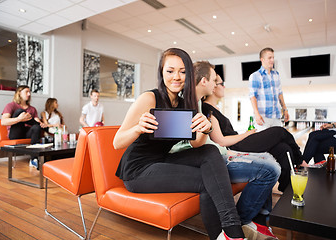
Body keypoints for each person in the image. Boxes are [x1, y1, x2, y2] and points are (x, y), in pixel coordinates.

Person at [113, 48, 246, 240]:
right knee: (209, 181)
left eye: (183, 71)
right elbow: (117, 142)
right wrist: (138, 128)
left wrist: (206, 129)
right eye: (170, 71)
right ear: (161, 72)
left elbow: (196, 145)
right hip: (138, 170)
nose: (176, 77)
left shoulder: (185, 103)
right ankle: (232, 234)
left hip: (163, 160)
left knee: (210, 151)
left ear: (190, 75)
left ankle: (230, 234)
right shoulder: (149, 98)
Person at [194, 61, 280, 240]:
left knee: (269, 157)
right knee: (270, 168)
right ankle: (242, 223)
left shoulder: (201, 107)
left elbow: (214, 142)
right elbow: (209, 142)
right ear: (204, 81)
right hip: (214, 160)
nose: (217, 84)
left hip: (221, 154)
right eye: (215, 80)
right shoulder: (201, 108)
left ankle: (258, 221)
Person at [202, 73, 307, 192]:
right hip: (235, 145)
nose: (224, 87)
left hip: (239, 140)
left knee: (283, 148)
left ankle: (286, 188)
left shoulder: (215, 108)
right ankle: (301, 161)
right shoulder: (208, 109)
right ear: (214, 87)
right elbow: (220, 140)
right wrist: (247, 134)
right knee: (280, 132)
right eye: (222, 84)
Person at [1, 85, 47, 168]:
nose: (29, 94)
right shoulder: (11, 105)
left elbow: (37, 121)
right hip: (15, 134)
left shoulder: (32, 109)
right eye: (26, 92)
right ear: (19, 93)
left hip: (27, 133)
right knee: (20, 111)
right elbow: (3, 122)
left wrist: (41, 124)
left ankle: (34, 159)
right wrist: (19, 119)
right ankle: (44, 128)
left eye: (29, 92)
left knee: (36, 127)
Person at [249, 47, 289, 131]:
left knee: (278, 142)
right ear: (262, 59)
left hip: (276, 117)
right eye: (269, 58)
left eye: (273, 57)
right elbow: (253, 96)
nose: (272, 60)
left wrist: (285, 110)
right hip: (263, 117)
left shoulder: (276, 74)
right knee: (264, 143)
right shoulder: (255, 76)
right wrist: (256, 114)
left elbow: (280, 94)